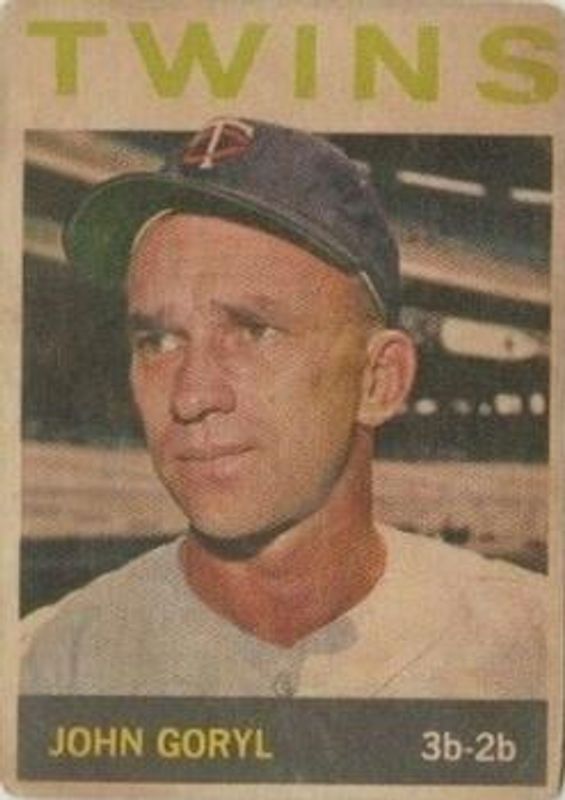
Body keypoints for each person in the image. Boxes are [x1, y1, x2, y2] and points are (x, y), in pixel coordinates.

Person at [21, 118, 545, 698]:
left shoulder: (534, 647)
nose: (191, 396)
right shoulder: (45, 664)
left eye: (253, 330)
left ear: (379, 380)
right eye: (158, 341)